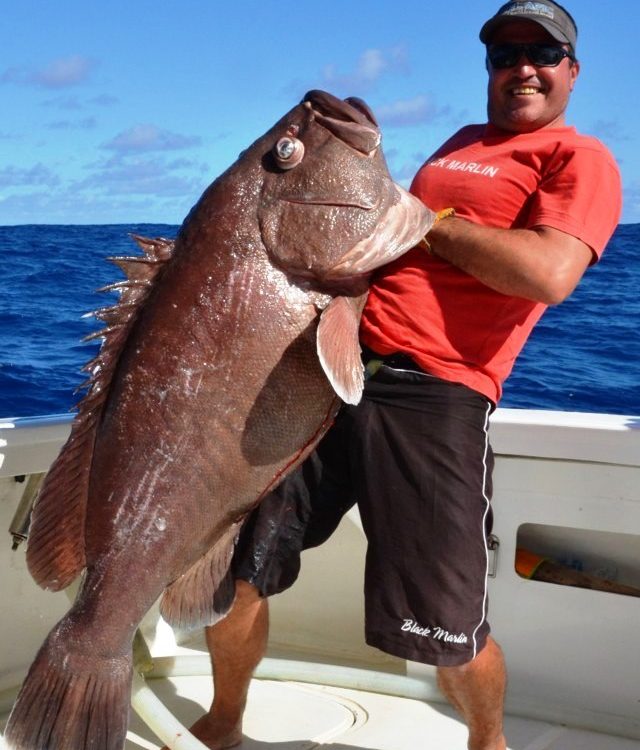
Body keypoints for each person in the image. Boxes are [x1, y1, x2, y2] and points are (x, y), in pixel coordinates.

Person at [170, 3, 621, 749]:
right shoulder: (458, 146)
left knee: (447, 625)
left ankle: (488, 742)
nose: (522, 68)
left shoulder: (580, 158)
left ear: (572, 70)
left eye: (543, 53)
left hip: (437, 395)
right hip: (332, 373)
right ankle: (223, 722)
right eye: (505, 55)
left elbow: (548, 274)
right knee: (237, 565)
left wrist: (423, 219)